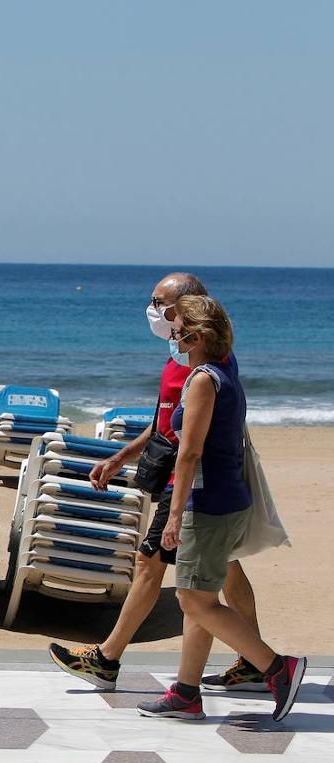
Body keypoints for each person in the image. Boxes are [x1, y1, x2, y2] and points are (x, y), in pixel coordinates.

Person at [48, 273, 265, 692]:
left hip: (193, 484)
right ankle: (245, 667)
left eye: (159, 302)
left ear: (187, 311)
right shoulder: (182, 358)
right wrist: (120, 456)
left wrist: (178, 507)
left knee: (156, 567)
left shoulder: (202, 364)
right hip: (197, 484)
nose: (152, 309)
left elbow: (191, 444)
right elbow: (165, 420)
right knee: (223, 571)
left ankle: (108, 658)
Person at [136, 295, 304, 721]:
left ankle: (276, 667)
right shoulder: (223, 373)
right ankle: (186, 694)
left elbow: (189, 454)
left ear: (196, 335)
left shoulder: (201, 382)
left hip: (206, 505)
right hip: (226, 501)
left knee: (194, 601)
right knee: (201, 599)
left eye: (177, 330)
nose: (172, 337)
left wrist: (174, 516)